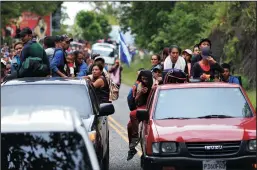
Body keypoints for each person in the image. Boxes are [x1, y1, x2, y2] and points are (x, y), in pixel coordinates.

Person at [127, 70, 153, 161]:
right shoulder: (139, 86)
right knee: (130, 126)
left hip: (152, 107)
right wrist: (141, 93)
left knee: (133, 115)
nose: (144, 81)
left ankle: (136, 139)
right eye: (142, 79)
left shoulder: (154, 85)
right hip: (141, 107)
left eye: (146, 79)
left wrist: (150, 92)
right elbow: (136, 102)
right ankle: (132, 147)